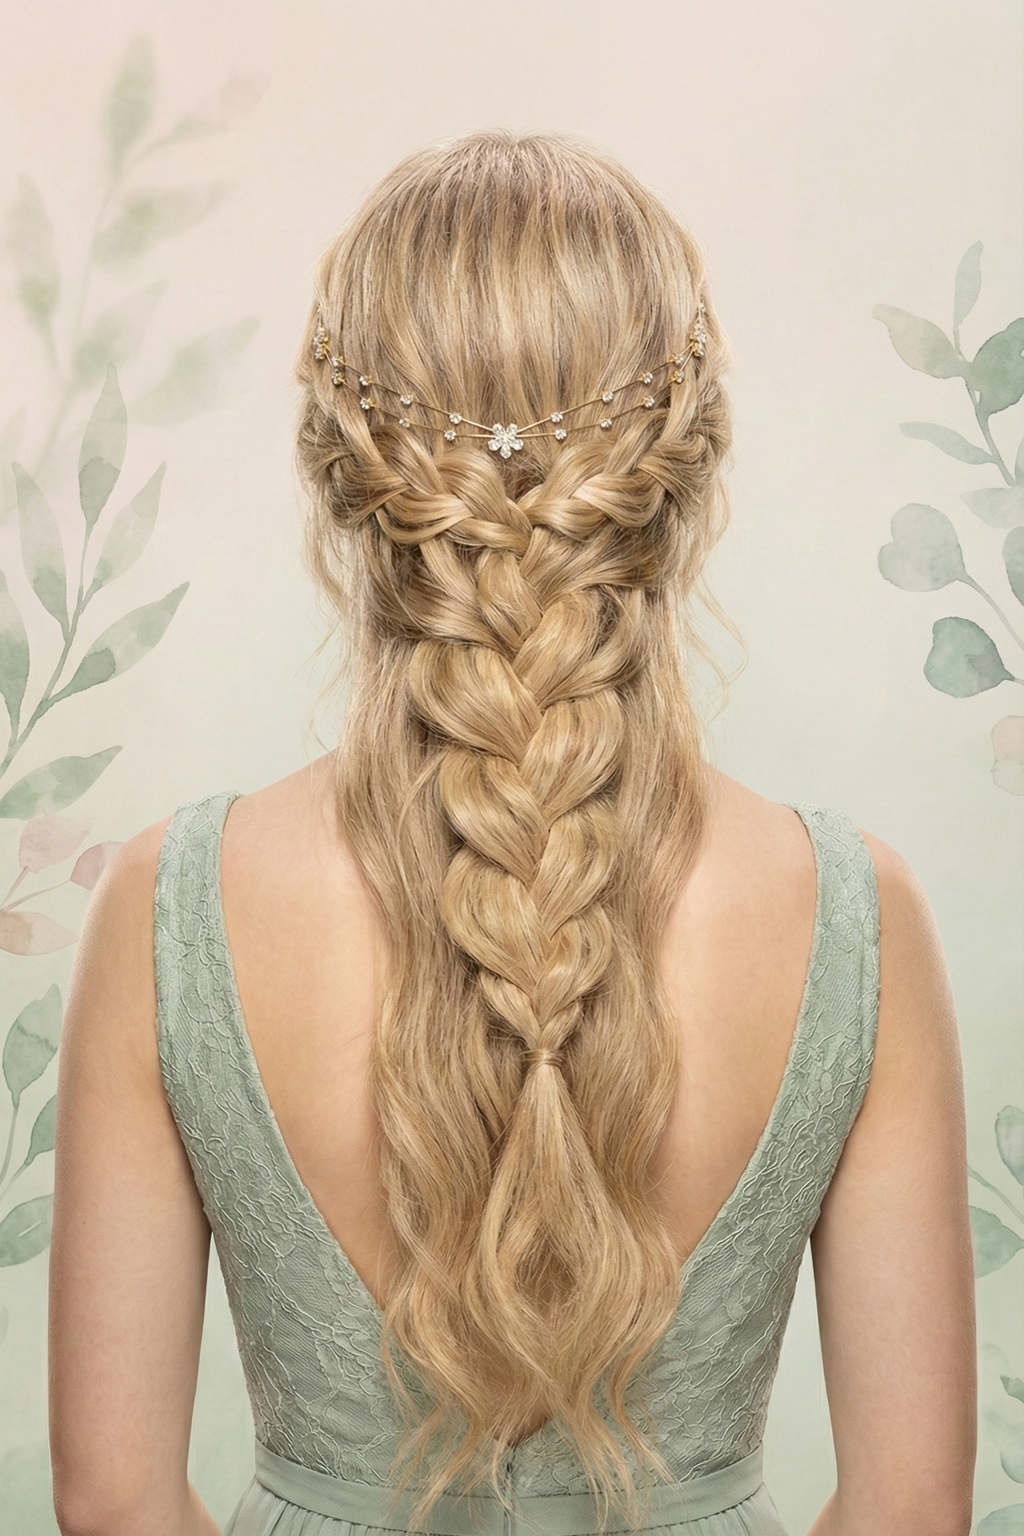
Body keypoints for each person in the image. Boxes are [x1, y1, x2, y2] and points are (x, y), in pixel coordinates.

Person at [48, 132, 976, 1536]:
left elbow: (114, 1502)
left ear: (342, 466)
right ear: (681, 463)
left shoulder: (173, 904)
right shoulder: (852, 911)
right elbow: (911, 1506)